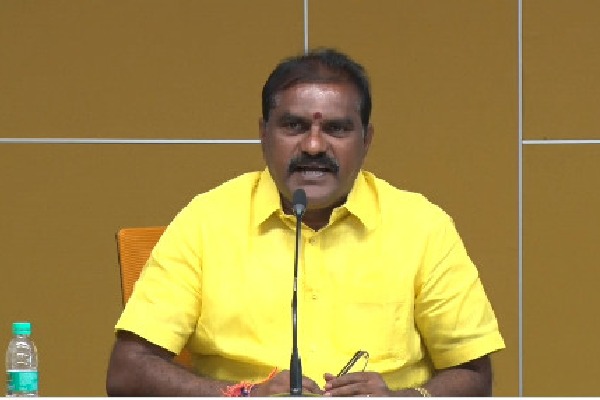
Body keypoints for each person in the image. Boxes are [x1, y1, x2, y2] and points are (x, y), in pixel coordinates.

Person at [106, 48, 505, 397]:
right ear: (264, 134)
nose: (314, 145)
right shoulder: (206, 221)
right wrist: (243, 395)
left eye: (336, 128)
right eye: (294, 126)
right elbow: (127, 371)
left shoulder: (422, 226)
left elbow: (474, 375)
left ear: (366, 140)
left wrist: (400, 398)